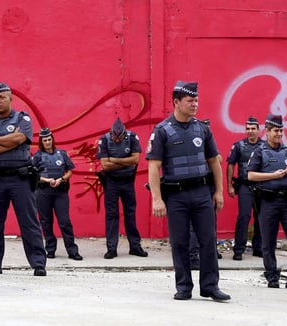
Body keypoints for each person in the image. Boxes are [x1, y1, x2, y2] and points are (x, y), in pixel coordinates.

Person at [146, 80, 230, 301]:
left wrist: (219, 192)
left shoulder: (202, 129)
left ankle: (210, 286)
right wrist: (157, 199)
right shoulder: (162, 131)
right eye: (190, 100)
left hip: (202, 193)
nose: (195, 104)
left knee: (208, 240)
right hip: (176, 196)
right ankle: (184, 286)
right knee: (180, 242)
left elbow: (214, 161)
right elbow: (153, 166)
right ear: (176, 102)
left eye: (196, 100)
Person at [0, 81, 47, 276]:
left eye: (2, 97)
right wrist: (9, 142)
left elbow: (21, 138)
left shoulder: (22, 119)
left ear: (10, 99)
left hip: (20, 179)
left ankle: (38, 264)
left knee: (29, 221)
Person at [247, 113, 287, 290]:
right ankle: (272, 277)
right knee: (268, 242)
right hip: (268, 201)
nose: (279, 134)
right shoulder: (260, 152)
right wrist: (272, 176)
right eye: (276, 131)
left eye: (281, 131)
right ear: (267, 131)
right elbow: (250, 175)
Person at [96, 118, 148, 259]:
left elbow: (136, 159)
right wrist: (126, 162)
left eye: (120, 137)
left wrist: (114, 160)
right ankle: (111, 248)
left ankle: (135, 246)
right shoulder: (104, 140)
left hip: (128, 181)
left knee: (130, 214)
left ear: (124, 134)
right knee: (112, 215)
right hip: (111, 181)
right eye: (115, 137)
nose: (117, 140)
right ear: (111, 134)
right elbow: (105, 165)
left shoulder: (132, 137)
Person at [32, 128, 82, 260]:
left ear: (52, 140)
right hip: (43, 192)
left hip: (60, 192)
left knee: (65, 222)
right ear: (41, 142)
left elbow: (70, 170)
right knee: (46, 222)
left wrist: (62, 179)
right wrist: (46, 180)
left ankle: (72, 250)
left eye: (49, 139)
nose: (47, 142)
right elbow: (32, 174)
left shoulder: (62, 154)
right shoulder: (37, 156)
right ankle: (50, 249)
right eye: (45, 140)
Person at [227, 116, 264, 261]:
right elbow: (230, 164)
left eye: (253, 129)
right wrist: (229, 185)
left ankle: (258, 248)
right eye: (248, 129)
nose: (250, 131)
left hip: (261, 187)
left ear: (258, 130)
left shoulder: (265, 146)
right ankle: (238, 250)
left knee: (261, 217)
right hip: (244, 185)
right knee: (244, 217)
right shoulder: (238, 146)